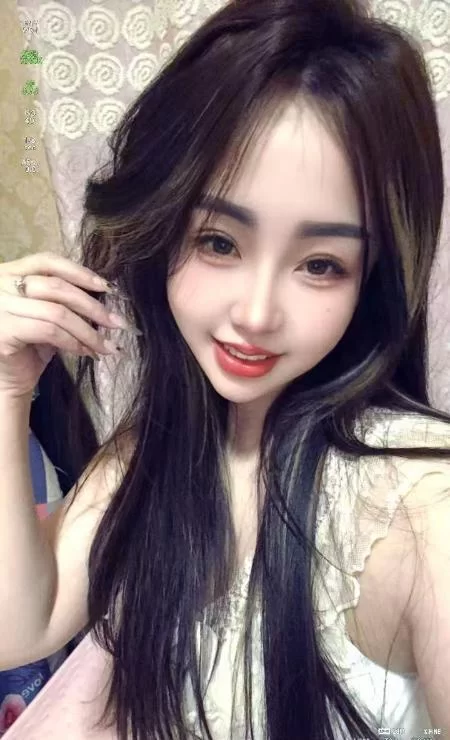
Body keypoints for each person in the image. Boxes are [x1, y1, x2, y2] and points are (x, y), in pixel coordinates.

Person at [0, 0, 449, 737]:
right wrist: (8, 388)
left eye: (321, 264)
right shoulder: (155, 452)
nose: (256, 314)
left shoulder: (419, 503)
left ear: (373, 281)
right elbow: (22, 625)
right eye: (218, 242)